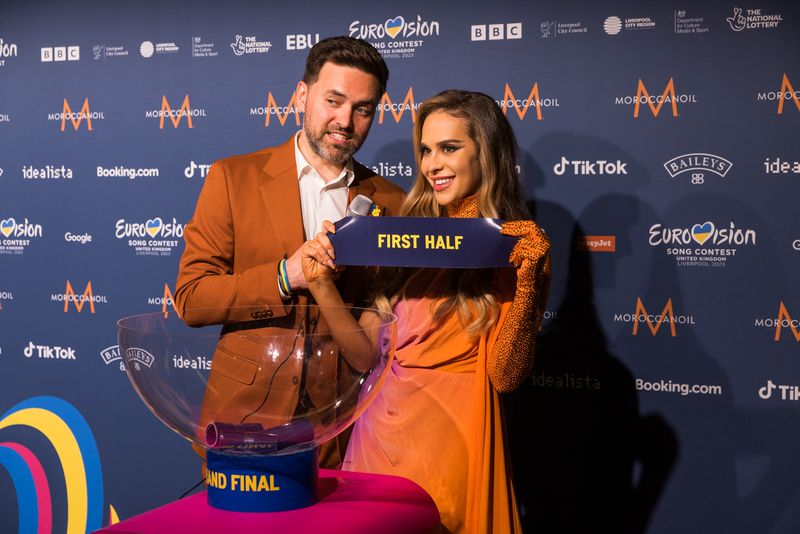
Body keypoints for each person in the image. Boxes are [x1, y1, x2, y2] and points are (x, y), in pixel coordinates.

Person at [301, 89, 552, 533]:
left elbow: (506, 375)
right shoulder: (404, 235)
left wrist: (529, 277)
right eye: (425, 150)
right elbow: (364, 357)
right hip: (378, 438)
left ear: (487, 152)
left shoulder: (515, 246)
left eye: (450, 148)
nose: (433, 164)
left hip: (451, 441)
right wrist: (321, 283)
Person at [174, 36, 405, 469]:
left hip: (342, 431)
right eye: (333, 100)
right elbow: (191, 299)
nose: (345, 120)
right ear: (302, 95)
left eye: (363, 109)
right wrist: (285, 276)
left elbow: (383, 326)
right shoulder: (233, 178)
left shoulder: (392, 201)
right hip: (243, 421)